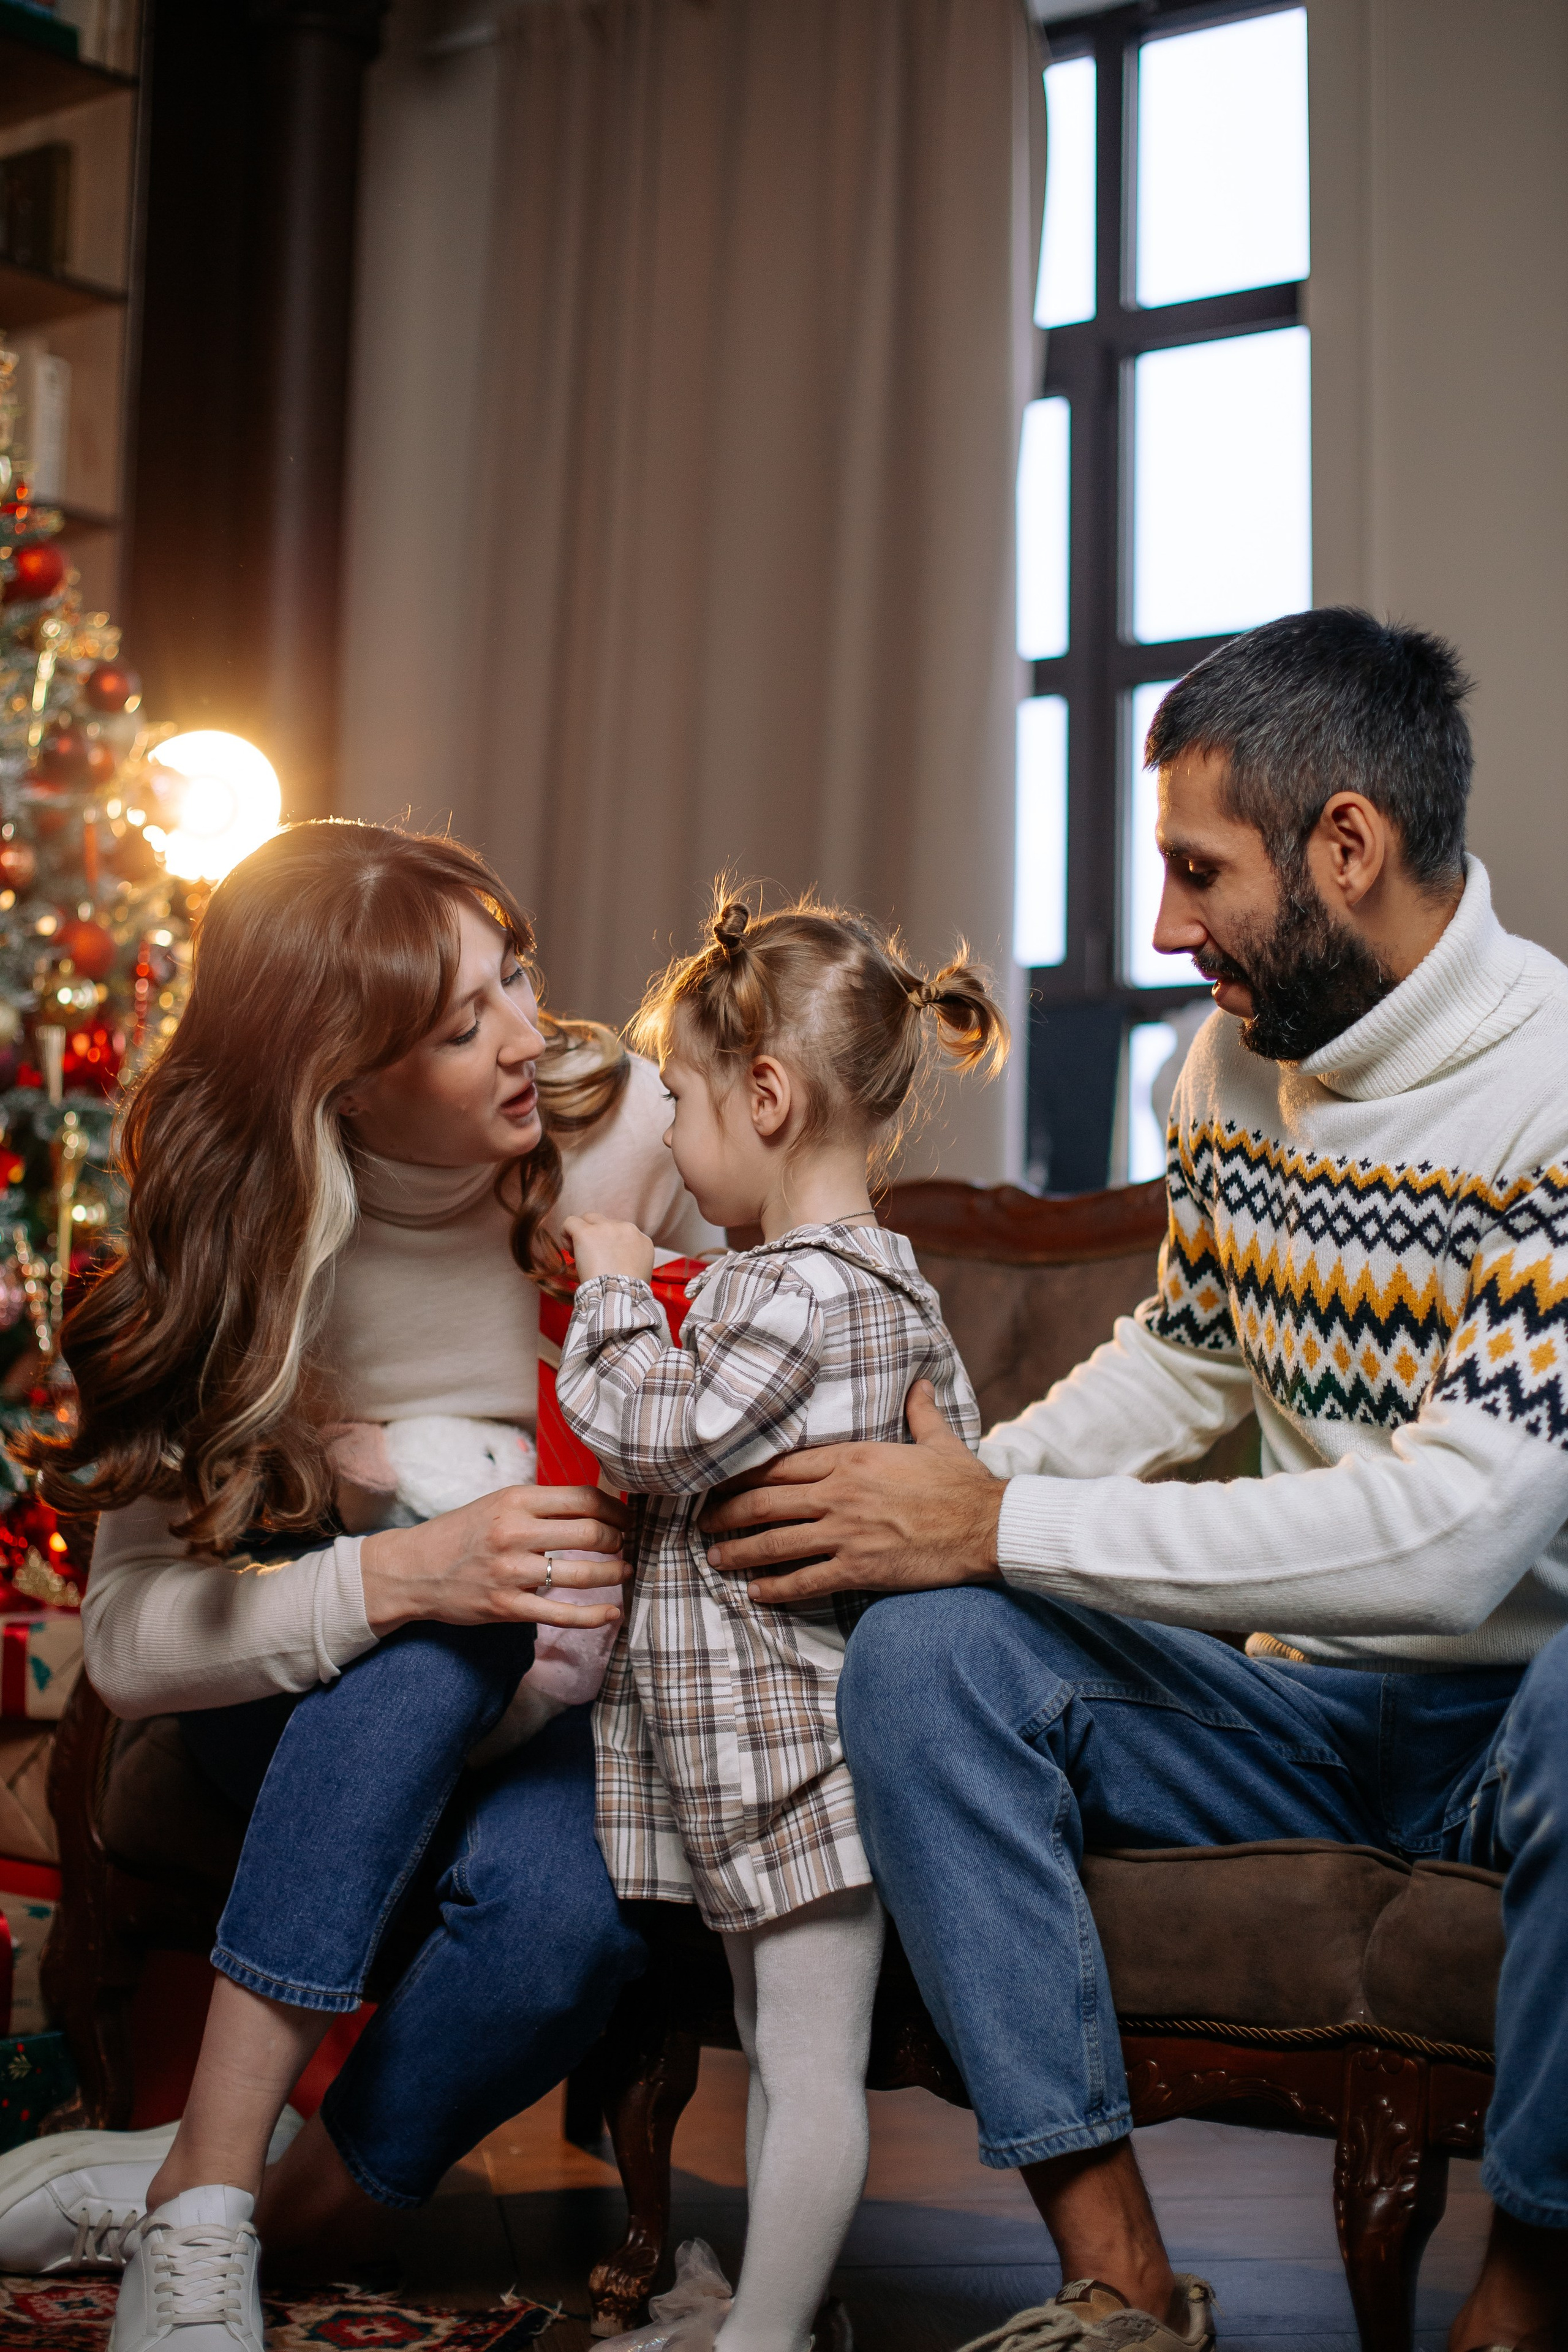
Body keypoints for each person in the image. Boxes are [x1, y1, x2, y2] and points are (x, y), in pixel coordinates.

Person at [698, 612, 1568, 2352]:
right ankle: (1118, 2281)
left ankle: (1527, 2305)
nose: (1166, 929)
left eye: (1197, 873)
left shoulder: (1553, 1091)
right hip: (1291, 1712)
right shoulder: (1229, 1064)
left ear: (1347, 845)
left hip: (1511, 1726)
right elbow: (1192, 1353)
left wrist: (1002, 1522)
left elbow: (1460, 1538)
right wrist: (940, 1502)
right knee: (933, 1663)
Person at [0, 823, 717, 2352]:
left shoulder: (624, 1133)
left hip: (568, 1691)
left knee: (567, 1928)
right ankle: (202, 2213)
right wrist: (395, 1574)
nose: (533, 1036)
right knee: (429, 1647)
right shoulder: (218, 1243)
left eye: (515, 976)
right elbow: (124, 1646)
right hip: (311, 1701)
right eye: (464, 1025)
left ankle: (238, 2194)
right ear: (336, 1074)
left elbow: (741, 1371)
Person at [552, 894, 1011, 2352]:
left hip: (785, 1749)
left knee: (801, 2067)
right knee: (779, 2055)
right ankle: (772, 2310)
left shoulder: (782, 1294)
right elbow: (964, 1447)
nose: (673, 1135)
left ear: (763, 1097)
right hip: (774, 1744)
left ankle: (765, 2339)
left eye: (679, 1100)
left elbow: (648, 1437)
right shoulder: (888, 1283)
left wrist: (616, 1290)